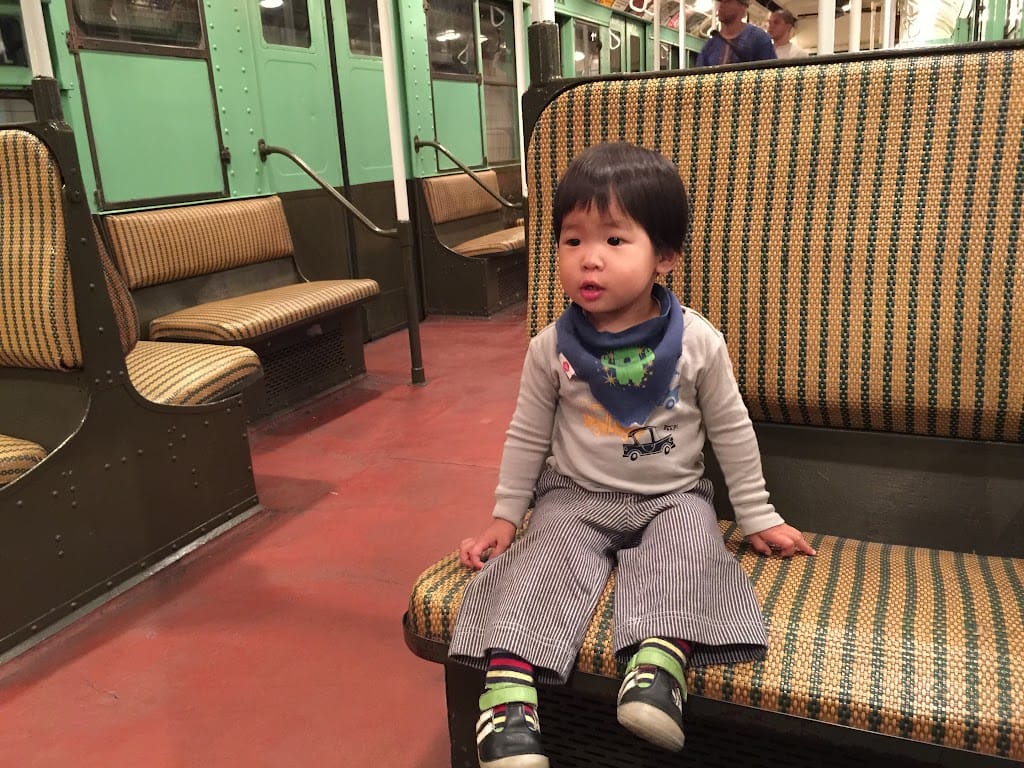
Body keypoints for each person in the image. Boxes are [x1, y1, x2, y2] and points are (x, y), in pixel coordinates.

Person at [448, 142, 815, 768]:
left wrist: (757, 515)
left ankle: (657, 668)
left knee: (689, 548)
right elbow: (527, 434)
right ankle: (507, 699)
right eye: (572, 240)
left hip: (673, 498)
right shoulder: (550, 349)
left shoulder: (697, 342)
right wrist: (506, 516)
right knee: (540, 563)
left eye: (615, 240)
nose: (589, 258)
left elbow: (731, 430)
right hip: (575, 498)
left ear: (664, 257)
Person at [696, 0, 777, 67]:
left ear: (742, 6)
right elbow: (699, 76)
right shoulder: (711, 44)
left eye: (727, 1)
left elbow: (771, 74)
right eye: (720, 1)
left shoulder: (759, 39)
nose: (721, 5)